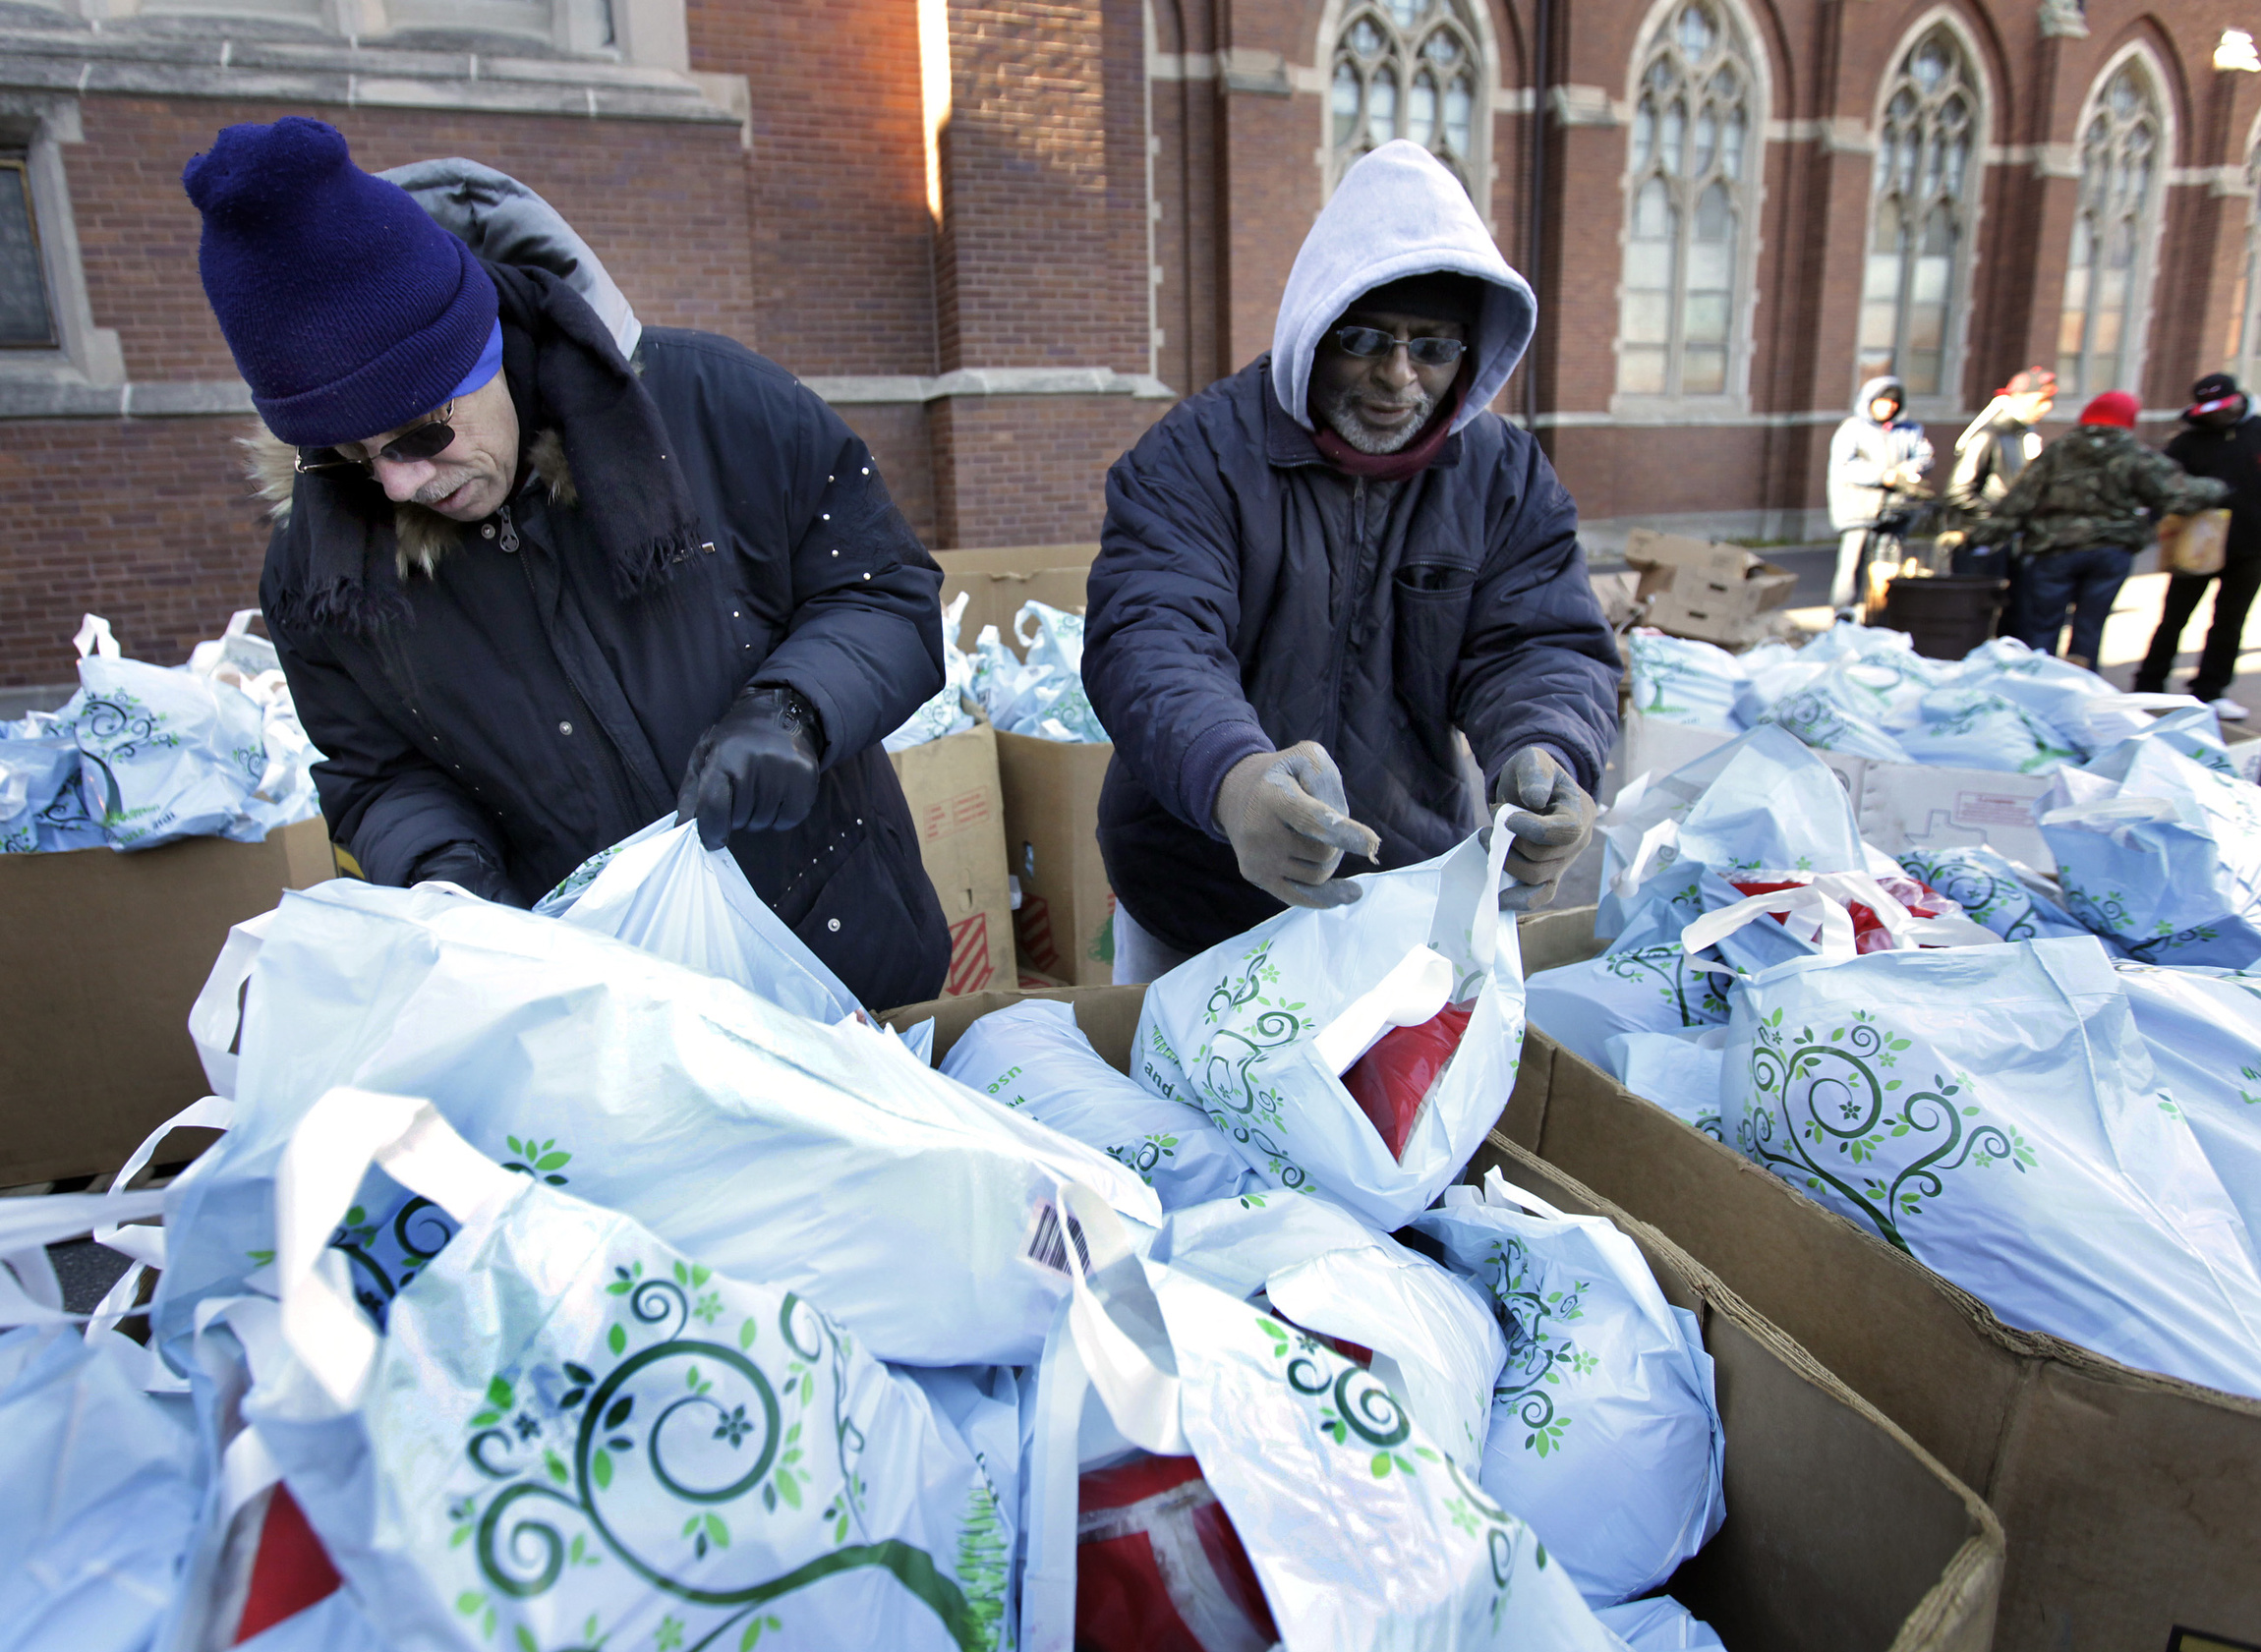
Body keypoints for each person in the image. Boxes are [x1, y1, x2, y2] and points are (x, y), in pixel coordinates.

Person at [183, 118, 951, 1009]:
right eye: (353, 456)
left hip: (848, 960)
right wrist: (449, 874)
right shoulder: (322, 569)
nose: (397, 483)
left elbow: (885, 592)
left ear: (488, 350)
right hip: (604, 1026)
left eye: (423, 434)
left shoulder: (711, 410)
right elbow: (376, 772)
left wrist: (797, 711)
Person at [1079, 141, 1620, 982]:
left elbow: (1538, 646)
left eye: (1434, 347)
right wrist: (1235, 778)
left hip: (1399, 905)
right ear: (1315, 323)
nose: (1399, 377)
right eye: (1366, 338)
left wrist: (1546, 750)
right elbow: (1152, 636)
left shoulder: (1503, 477)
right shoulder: (1196, 456)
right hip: (1195, 897)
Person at [1966, 390, 2228, 670]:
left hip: (2054, 549)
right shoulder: (2134, 454)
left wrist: (1981, 537)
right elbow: (2177, 493)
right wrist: (2221, 488)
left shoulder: (2059, 451)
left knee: (2042, 624)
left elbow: (2020, 500)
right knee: (2090, 626)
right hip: (2110, 550)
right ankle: (2081, 687)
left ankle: (2036, 683)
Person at [2133, 372, 2261, 720]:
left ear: (2238, 400)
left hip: (2250, 544)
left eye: (2222, 407)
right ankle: (2149, 685)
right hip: (2195, 543)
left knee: (2230, 620)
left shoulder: (2257, 430)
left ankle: (2211, 691)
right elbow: (2166, 486)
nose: (2215, 416)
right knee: (2174, 617)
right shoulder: (2188, 442)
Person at [1826, 375, 1934, 613]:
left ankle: (1881, 613)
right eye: (1883, 401)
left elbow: (1925, 455)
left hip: (1896, 508)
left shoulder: (1909, 430)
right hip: (1860, 507)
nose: (1888, 407)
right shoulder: (1853, 429)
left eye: (1894, 403)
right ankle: (1843, 613)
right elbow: (1845, 466)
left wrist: (1910, 468)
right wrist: (1884, 476)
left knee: (1888, 566)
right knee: (1851, 565)